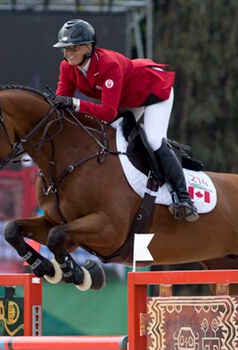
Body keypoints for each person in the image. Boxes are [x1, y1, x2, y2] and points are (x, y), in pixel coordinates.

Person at [52, 19, 198, 222]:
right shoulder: (67, 67)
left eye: (73, 48)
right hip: (127, 98)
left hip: (152, 89)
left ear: (89, 47)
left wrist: (75, 103)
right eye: (65, 48)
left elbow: (107, 112)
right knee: (108, 137)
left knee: (154, 139)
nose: (68, 53)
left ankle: (184, 198)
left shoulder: (108, 64)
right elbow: (62, 104)